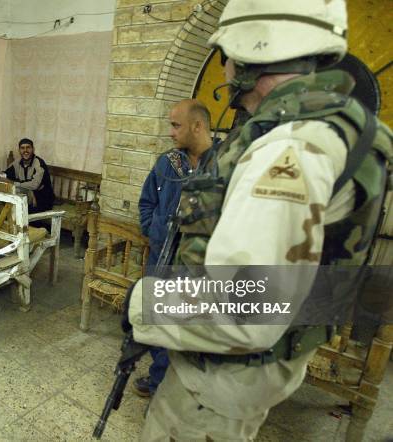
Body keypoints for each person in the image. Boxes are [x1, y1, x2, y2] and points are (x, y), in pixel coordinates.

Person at [124, 0, 392, 440]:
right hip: (236, 369)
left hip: (219, 385)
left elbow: (250, 307)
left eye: (227, 56)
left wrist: (143, 304)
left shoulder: (292, 148)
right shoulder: (329, 126)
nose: (225, 69)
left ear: (251, 56)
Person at [135, 99, 216, 398]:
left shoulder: (223, 167)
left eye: (175, 125)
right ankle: (159, 381)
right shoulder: (167, 163)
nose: (170, 132)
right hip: (161, 257)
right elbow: (147, 202)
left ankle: (175, 392)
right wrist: (153, 229)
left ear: (198, 125)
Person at [0, 138, 54, 213]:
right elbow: (6, 174)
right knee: (7, 201)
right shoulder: (17, 162)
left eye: (28, 147)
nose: (25, 151)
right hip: (27, 196)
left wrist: (14, 183)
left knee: (18, 208)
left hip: (43, 198)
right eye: (22, 148)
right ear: (19, 150)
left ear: (33, 149)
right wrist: (2, 175)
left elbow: (34, 185)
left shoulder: (38, 163)